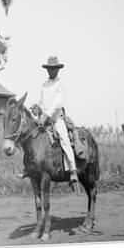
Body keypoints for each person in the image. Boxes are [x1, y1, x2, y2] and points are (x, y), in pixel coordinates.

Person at [37, 56, 79, 186]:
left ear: (58, 69)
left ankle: (72, 170)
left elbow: (57, 104)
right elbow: (42, 101)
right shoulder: (44, 84)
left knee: (64, 139)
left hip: (56, 118)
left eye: (54, 68)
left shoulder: (61, 84)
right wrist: (39, 110)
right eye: (50, 69)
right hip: (44, 117)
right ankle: (30, 167)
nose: (51, 71)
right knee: (32, 135)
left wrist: (47, 116)